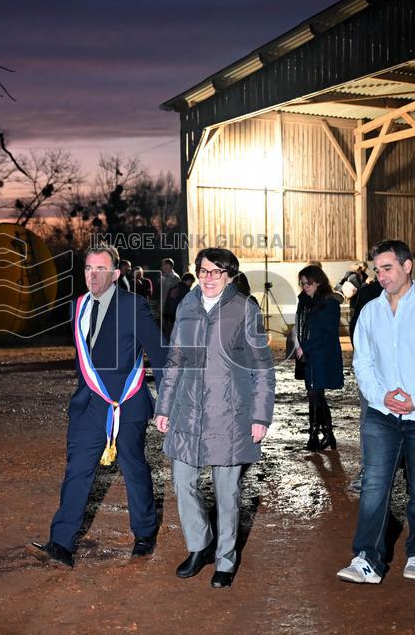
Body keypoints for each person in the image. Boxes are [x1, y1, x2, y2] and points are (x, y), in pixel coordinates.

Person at [30, 245, 168, 568]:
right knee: (77, 471)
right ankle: (61, 544)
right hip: (89, 405)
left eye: (101, 269)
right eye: (88, 269)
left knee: (134, 469)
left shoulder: (133, 306)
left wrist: (166, 404)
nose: (93, 275)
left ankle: (144, 534)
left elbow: (161, 355)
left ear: (116, 274)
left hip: (127, 404)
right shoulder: (77, 306)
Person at [337, 239, 415, 584]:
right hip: (382, 414)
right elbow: (362, 362)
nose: (381, 276)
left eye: (388, 268)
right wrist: (380, 395)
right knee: (374, 486)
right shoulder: (370, 312)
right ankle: (367, 559)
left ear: (407, 267)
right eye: (377, 270)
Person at [154, 247, 275, 589]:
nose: (209, 278)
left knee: (226, 492)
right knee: (183, 481)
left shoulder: (244, 309)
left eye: (217, 272)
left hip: (230, 415)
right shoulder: (187, 305)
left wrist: (260, 416)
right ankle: (199, 545)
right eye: (204, 271)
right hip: (188, 411)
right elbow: (175, 360)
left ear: (230, 276)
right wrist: (164, 406)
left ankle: (226, 558)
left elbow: (262, 367)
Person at [293, 265, 344, 451]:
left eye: (308, 283)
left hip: (322, 356)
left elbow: (327, 333)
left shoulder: (329, 303)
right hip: (309, 356)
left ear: (319, 282)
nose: (305, 287)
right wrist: (299, 346)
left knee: (315, 395)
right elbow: (301, 327)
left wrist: (304, 347)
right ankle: (326, 434)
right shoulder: (305, 302)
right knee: (315, 395)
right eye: (303, 284)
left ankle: (315, 435)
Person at [346, 271, 384, 493]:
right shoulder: (368, 294)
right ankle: (368, 470)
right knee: (369, 419)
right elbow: (356, 332)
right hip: (373, 371)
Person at [162, 272, 195, 339]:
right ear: (189, 281)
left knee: (167, 338)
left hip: (167, 318)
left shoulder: (172, 288)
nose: (191, 285)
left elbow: (166, 303)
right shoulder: (187, 292)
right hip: (179, 320)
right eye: (191, 283)